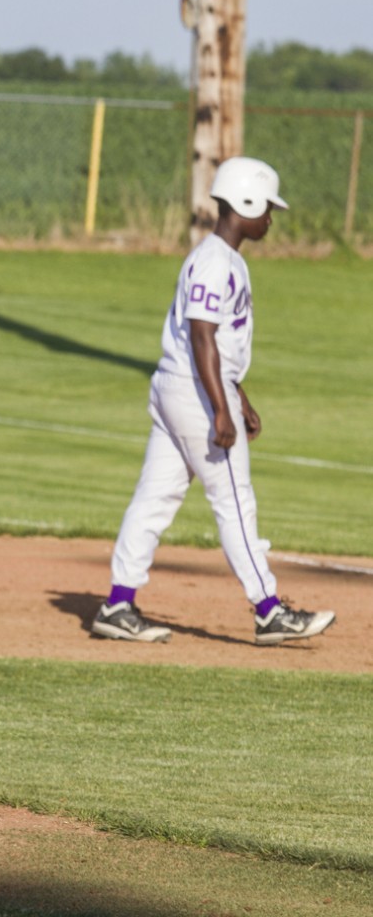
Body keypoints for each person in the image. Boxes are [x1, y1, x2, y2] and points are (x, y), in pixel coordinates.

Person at [92, 157, 336, 647]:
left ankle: (118, 603)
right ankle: (269, 610)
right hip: (195, 393)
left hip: (184, 386)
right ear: (244, 203)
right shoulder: (214, 261)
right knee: (234, 500)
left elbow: (214, 342)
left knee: (155, 497)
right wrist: (221, 407)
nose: (270, 218)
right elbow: (202, 336)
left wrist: (239, 395)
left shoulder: (220, 258)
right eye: (267, 208)